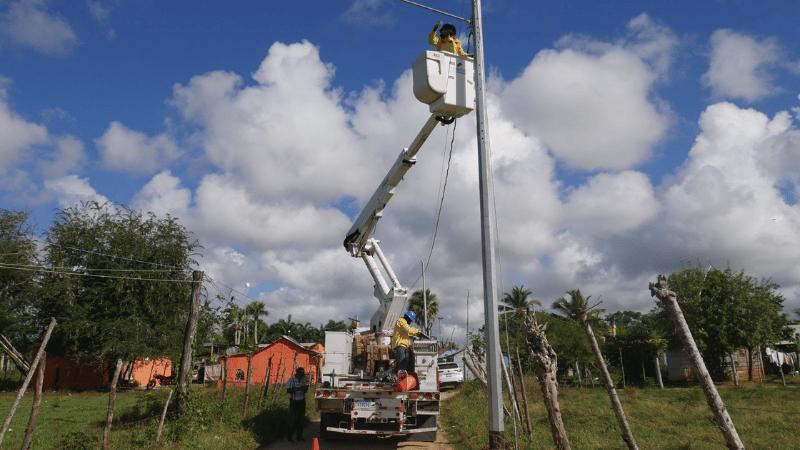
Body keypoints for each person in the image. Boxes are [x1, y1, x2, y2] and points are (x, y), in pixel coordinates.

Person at [285, 367, 308, 442]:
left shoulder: (303, 380)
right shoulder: (291, 380)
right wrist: (298, 389)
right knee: (293, 420)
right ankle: (289, 437)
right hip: (294, 401)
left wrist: (305, 389)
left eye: (302, 375)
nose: (301, 376)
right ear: (296, 373)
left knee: (301, 420)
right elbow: (288, 390)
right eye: (300, 374)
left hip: (302, 401)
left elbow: (305, 391)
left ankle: (299, 437)